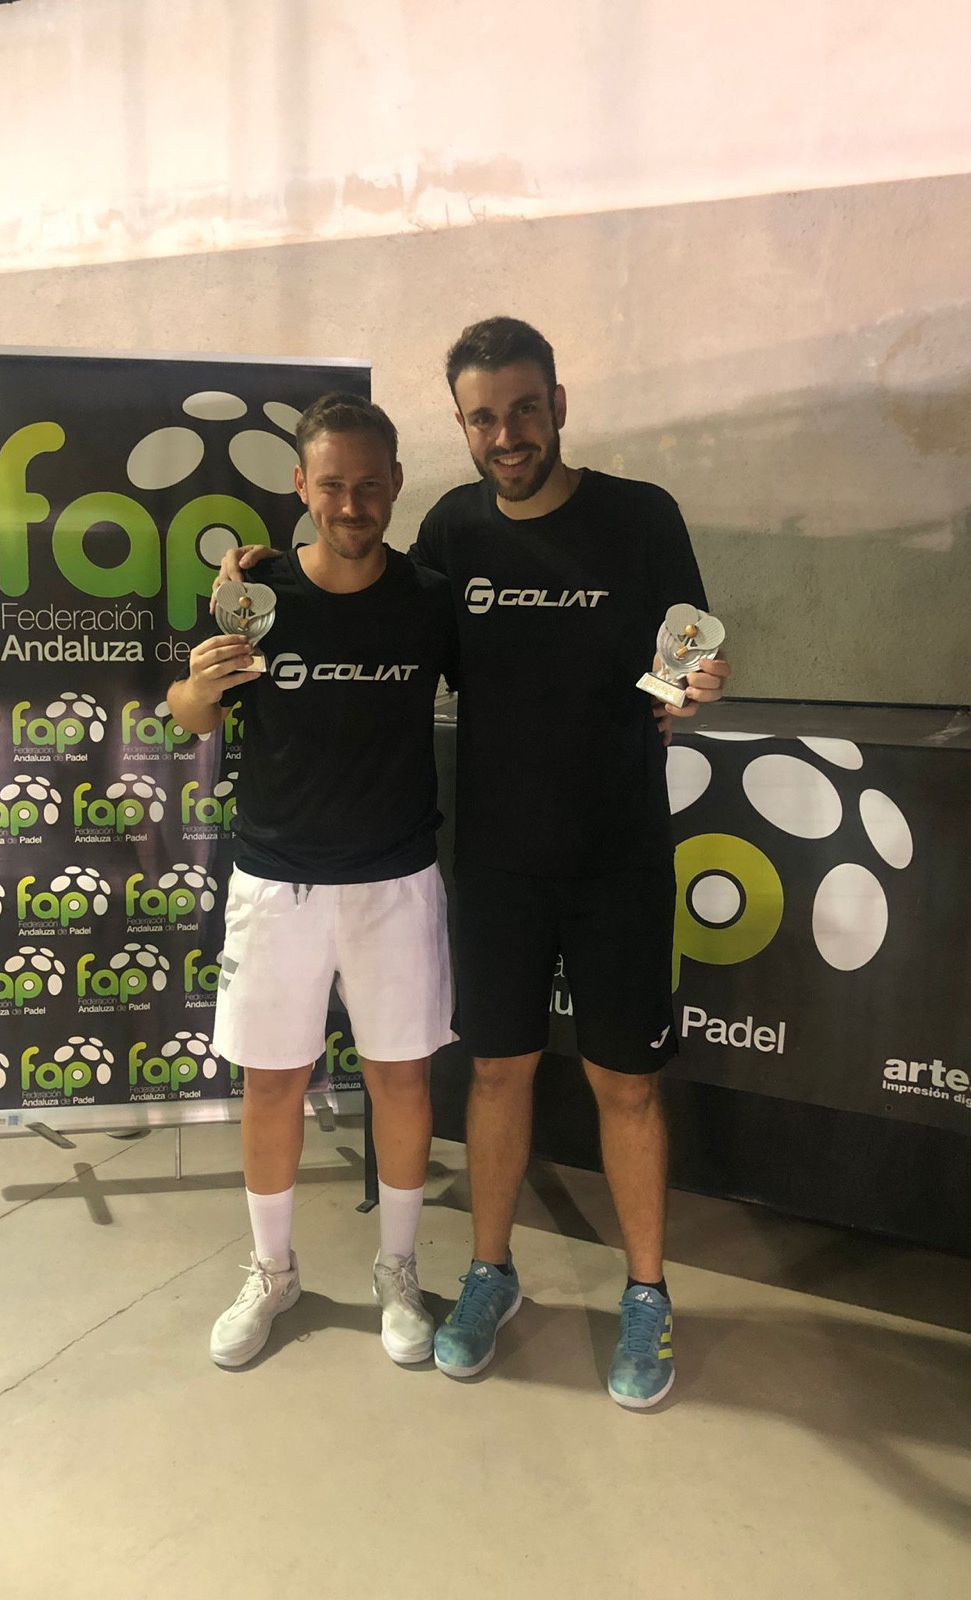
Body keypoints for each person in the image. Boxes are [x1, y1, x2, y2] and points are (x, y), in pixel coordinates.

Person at [216, 319, 729, 1406]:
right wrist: (261, 581)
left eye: (525, 408)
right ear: (461, 427)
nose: (507, 434)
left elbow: (685, 650)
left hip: (621, 855)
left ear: (558, 404)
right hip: (493, 861)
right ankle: (490, 1274)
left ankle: (647, 1294)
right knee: (497, 1074)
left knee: (625, 1086)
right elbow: (364, 590)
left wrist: (690, 687)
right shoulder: (451, 528)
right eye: (483, 417)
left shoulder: (642, 515)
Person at [168, 392, 458, 1370]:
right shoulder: (254, 594)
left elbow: (517, 693)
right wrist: (201, 684)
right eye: (332, 484)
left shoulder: (429, 599)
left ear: (396, 484)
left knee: (401, 1079)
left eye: (369, 484)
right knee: (273, 1083)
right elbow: (189, 713)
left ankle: (398, 1271)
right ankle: (272, 1271)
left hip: (395, 880)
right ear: (300, 484)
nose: (351, 504)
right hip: (275, 879)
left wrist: (658, 698)